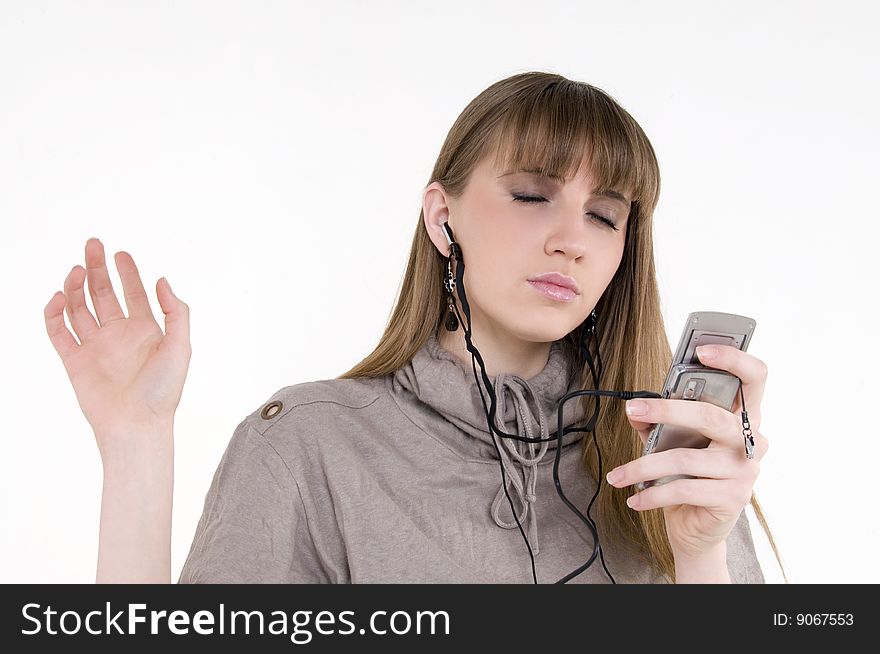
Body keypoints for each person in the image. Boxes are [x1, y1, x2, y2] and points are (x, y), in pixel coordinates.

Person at [43, 71, 783, 584]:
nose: (573, 239)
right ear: (442, 215)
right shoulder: (308, 443)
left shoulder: (673, 461)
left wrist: (701, 552)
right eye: (532, 194)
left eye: (604, 215)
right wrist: (135, 448)